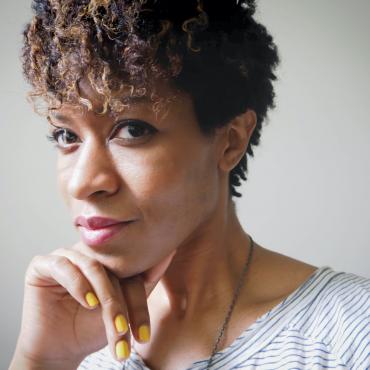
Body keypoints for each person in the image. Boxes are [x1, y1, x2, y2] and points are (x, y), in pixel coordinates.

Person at [9, 0, 369, 369]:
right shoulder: (73, 344)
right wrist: (43, 359)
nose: (84, 183)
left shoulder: (351, 335)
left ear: (230, 142)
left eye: (133, 130)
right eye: (66, 135)